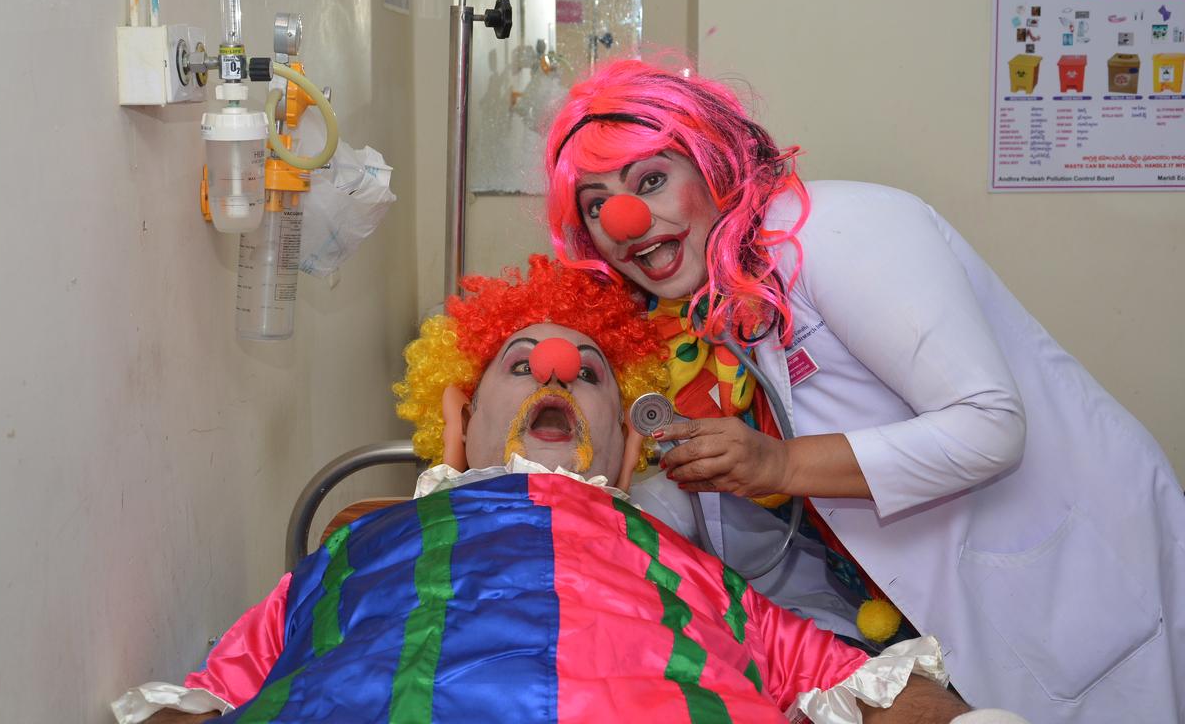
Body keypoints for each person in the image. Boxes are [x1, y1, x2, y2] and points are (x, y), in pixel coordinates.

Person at [543, 58, 1185, 722]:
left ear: (713, 165)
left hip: (1077, 582)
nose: (625, 220)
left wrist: (778, 463)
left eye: (652, 180)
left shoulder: (835, 229)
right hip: (962, 614)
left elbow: (990, 425)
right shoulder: (718, 311)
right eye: (597, 208)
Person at [112, 257, 974, 724]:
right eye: (517, 366)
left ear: (629, 437)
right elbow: (208, 695)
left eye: (585, 371)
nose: (552, 372)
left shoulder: (687, 567)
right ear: (460, 419)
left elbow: (884, 687)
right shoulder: (355, 548)